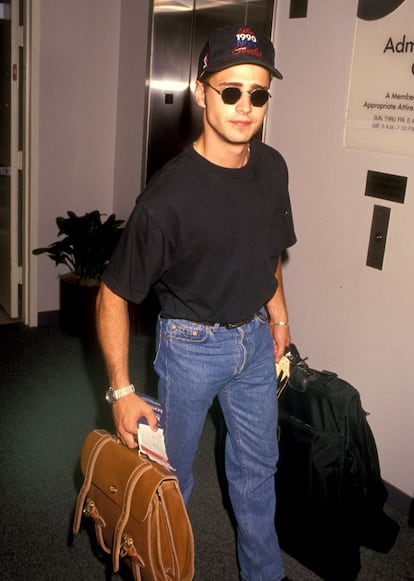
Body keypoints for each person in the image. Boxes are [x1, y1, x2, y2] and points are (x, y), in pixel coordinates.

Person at [96, 24, 296, 581]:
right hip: (190, 347)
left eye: (257, 94)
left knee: (259, 470)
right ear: (202, 91)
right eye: (230, 90)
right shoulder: (168, 198)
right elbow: (113, 294)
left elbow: (270, 253)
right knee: (171, 480)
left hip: (255, 343)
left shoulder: (273, 168)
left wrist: (279, 319)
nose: (244, 106)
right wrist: (121, 390)